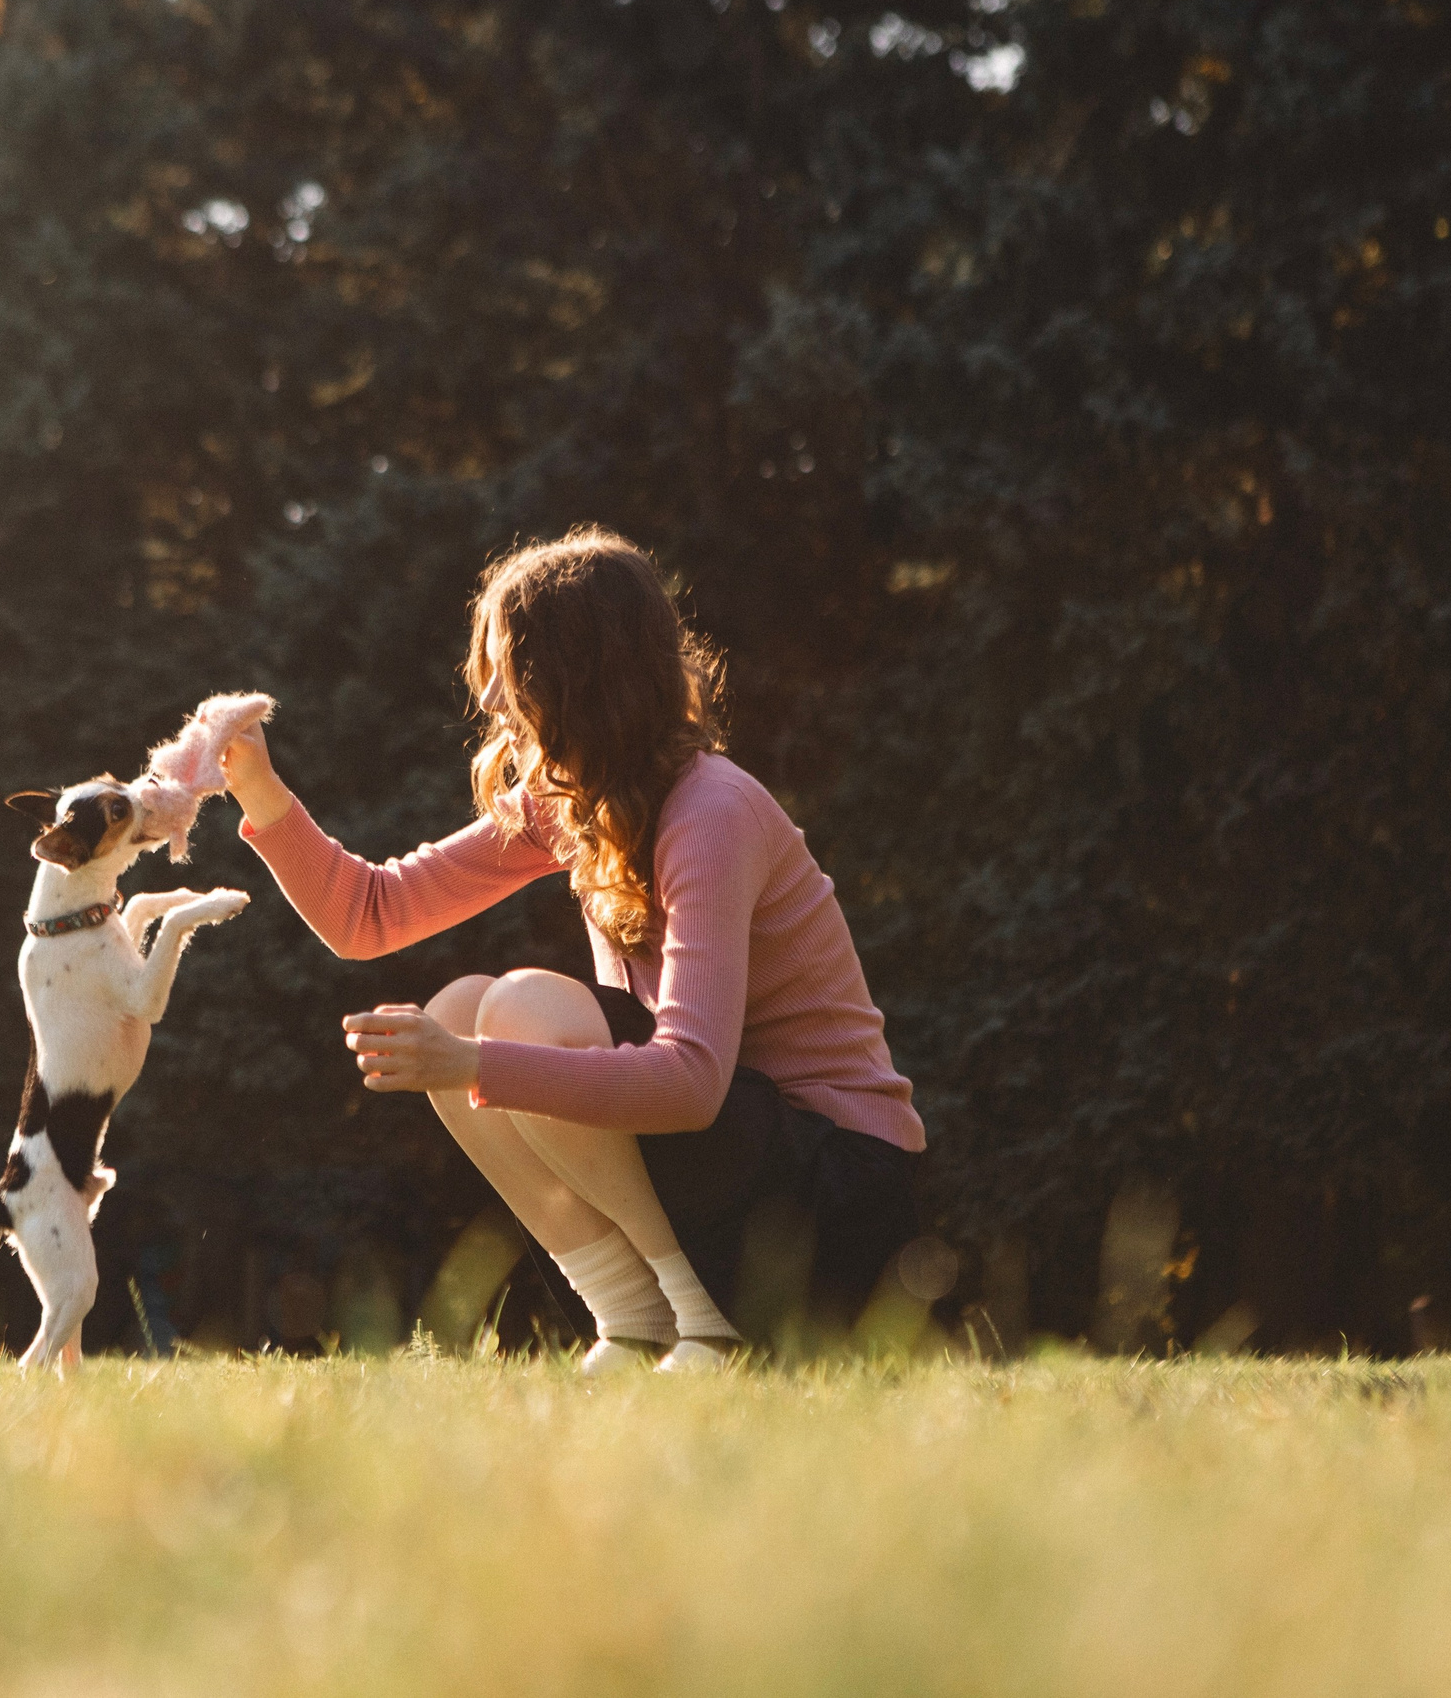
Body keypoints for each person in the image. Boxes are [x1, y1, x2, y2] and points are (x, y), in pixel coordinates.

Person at [219, 528, 925, 1372]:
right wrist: (258, 789)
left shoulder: (712, 813)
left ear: (572, 682)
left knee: (520, 1012)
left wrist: (473, 1064)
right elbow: (370, 913)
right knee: (458, 1006)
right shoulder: (572, 803)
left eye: (506, 676)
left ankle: (714, 1324)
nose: (491, 703)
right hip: (736, 1170)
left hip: (836, 1201)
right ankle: (633, 1318)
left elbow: (692, 1081)